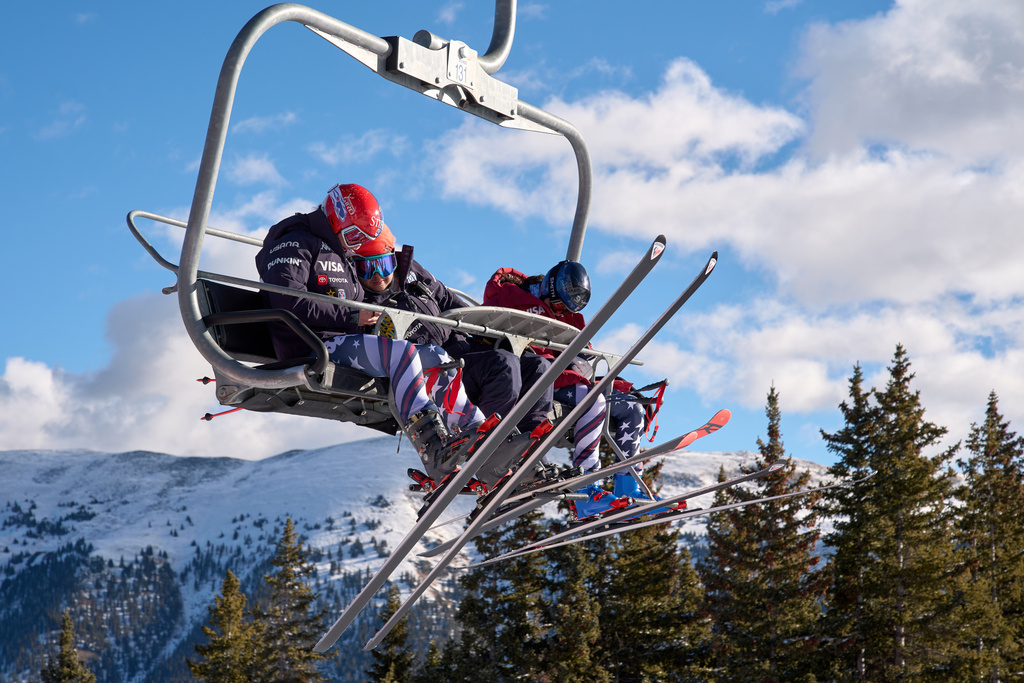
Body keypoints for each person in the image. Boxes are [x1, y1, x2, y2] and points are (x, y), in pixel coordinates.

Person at [254, 183, 487, 484]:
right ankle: (432, 445)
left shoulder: (340, 252)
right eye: (352, 237)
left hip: (341, 341)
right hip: (310, 345)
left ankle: (476, 433)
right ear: (333, 219)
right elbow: (286, 299)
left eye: (363, 240)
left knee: (436, 357)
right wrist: (352, 315)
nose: (354, 246)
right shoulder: (295, 244)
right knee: (400, 352)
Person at [349, 224, 557, 489]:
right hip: (429, 370)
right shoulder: (362, 298)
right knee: (503, 365)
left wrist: (484, 323)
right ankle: (492, 452)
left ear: (393, 259)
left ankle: (528, 451)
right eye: (367, 268)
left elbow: (448, 299)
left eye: (384, 265)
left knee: (541, 367)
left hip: (460, 353)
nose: (378, 275)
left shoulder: (412, 274)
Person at [483, 261, 664, 519]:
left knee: (633, 407)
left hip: (567, 377)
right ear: (549, 289)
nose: (560, 311)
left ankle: (629, 485)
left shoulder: (568, 315)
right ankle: (587, 489)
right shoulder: (512, 299)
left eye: (564, 309)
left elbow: (584, 352)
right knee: (593, 400)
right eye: (558, 306)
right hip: (534, 378)